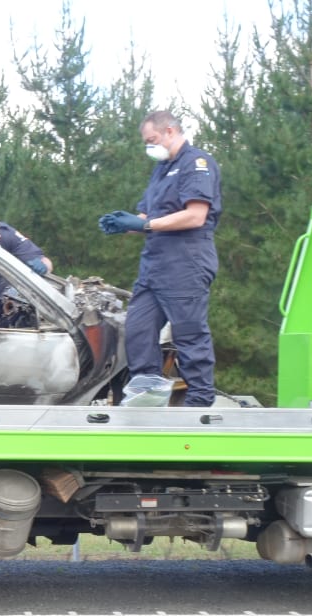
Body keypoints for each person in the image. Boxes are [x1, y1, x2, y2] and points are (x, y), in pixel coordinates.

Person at [98, 110, 221, 407]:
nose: (148, 147)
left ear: (169, 131)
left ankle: (200, 401)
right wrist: (124, 223)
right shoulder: (162, 169)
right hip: (155, 264)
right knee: (138, 329)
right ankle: (147, 391)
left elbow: (195, 215)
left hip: (186, 261)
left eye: (151, 140)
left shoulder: (196, 163)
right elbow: (145, 217)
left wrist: (146, 224)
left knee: (189, 334)